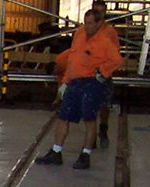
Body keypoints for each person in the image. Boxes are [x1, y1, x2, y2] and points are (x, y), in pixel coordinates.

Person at [35, 9, 122, 170]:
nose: (86, 26)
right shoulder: (79, 35)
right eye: (85, 22)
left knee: (89, 119)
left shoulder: (104, 41)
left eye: (90, 23)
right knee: (63, 116)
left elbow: (117, 60)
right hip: (74, 82)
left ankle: (85, 154)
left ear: (98, 23)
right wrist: (65, 81)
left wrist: (102, 72)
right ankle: (56, 151)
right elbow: (73, 60)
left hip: (91, 83)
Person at [89, 0, 120, 147]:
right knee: (89, 105)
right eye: (96, 11)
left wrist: (105, 71)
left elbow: (115, 55)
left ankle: (103, 129)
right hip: (88, 73)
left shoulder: (110, 32)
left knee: (104, 105)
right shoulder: (85, 30)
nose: (99, 14)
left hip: (104, 74)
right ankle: (91, 136)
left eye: (101, 11)